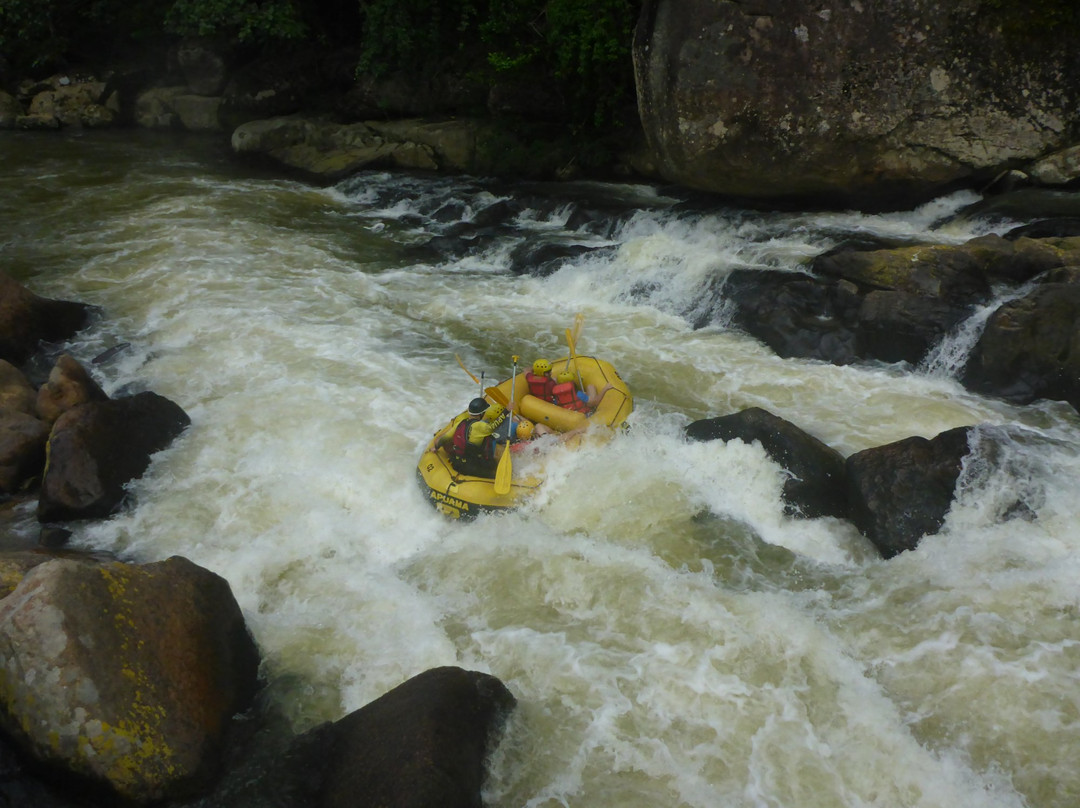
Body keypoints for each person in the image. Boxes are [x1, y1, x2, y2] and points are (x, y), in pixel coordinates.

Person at [436, 397, 505, 477]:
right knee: (493, 470)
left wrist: (436, 447)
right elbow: (494, 426)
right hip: (473, 467)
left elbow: (446, 437)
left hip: (457, 463)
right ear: (481, 414)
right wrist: (506, 411)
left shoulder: (460, 423)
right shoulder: (481, 426)